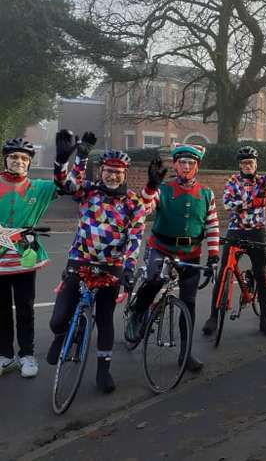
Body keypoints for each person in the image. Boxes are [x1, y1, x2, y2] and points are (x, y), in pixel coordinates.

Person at [47, 146, 146, 393]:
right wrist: (68, 159)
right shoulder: (88, 191)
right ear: (101, 171)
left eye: (118, 173)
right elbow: (65, 184)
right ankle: (61, 336)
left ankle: (103, 371)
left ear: (125, 175)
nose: (113, 176)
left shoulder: (133, 202)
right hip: (80, 260)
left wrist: (129, 267)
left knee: (104, 319)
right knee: (58, 319)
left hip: (111, 267)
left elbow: (135, 238)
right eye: (109, 171)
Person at [0, 134, 90, 378]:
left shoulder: (39, 188)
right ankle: (6, 355)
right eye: (14, 157)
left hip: (24, 257)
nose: (19, 161)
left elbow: (69, 186)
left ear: (30, 162)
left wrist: (73, 158)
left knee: (25, 308)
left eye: (23, 158)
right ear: (5, 160)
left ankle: (27, 354)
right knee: (2, 311)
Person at [126, 143, 220, 373]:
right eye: (182, 162)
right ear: (175, 165)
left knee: (189, 302)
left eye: (191, 163)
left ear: (197, 166)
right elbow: (143, 208)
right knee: (156, 279)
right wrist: (151, 185)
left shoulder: (207, 194)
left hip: (192, 253)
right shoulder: (164, 189)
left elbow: (212, 225)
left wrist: (214, 256)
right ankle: (138, 312)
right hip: (161, 247)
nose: (186, 166)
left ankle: (185, 354)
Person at [202, 143, 266, 337]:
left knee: (259, 273)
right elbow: (227, 204)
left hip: (257, 232)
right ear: (240, 166)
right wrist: (252, 202)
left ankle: (264, 318)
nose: (247, 166)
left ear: (256, 164)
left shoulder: (262, 181)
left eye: (250, 162)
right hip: (236, 231)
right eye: (244, 163)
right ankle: (213, 317)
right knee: (224, 271)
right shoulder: (233, 181)